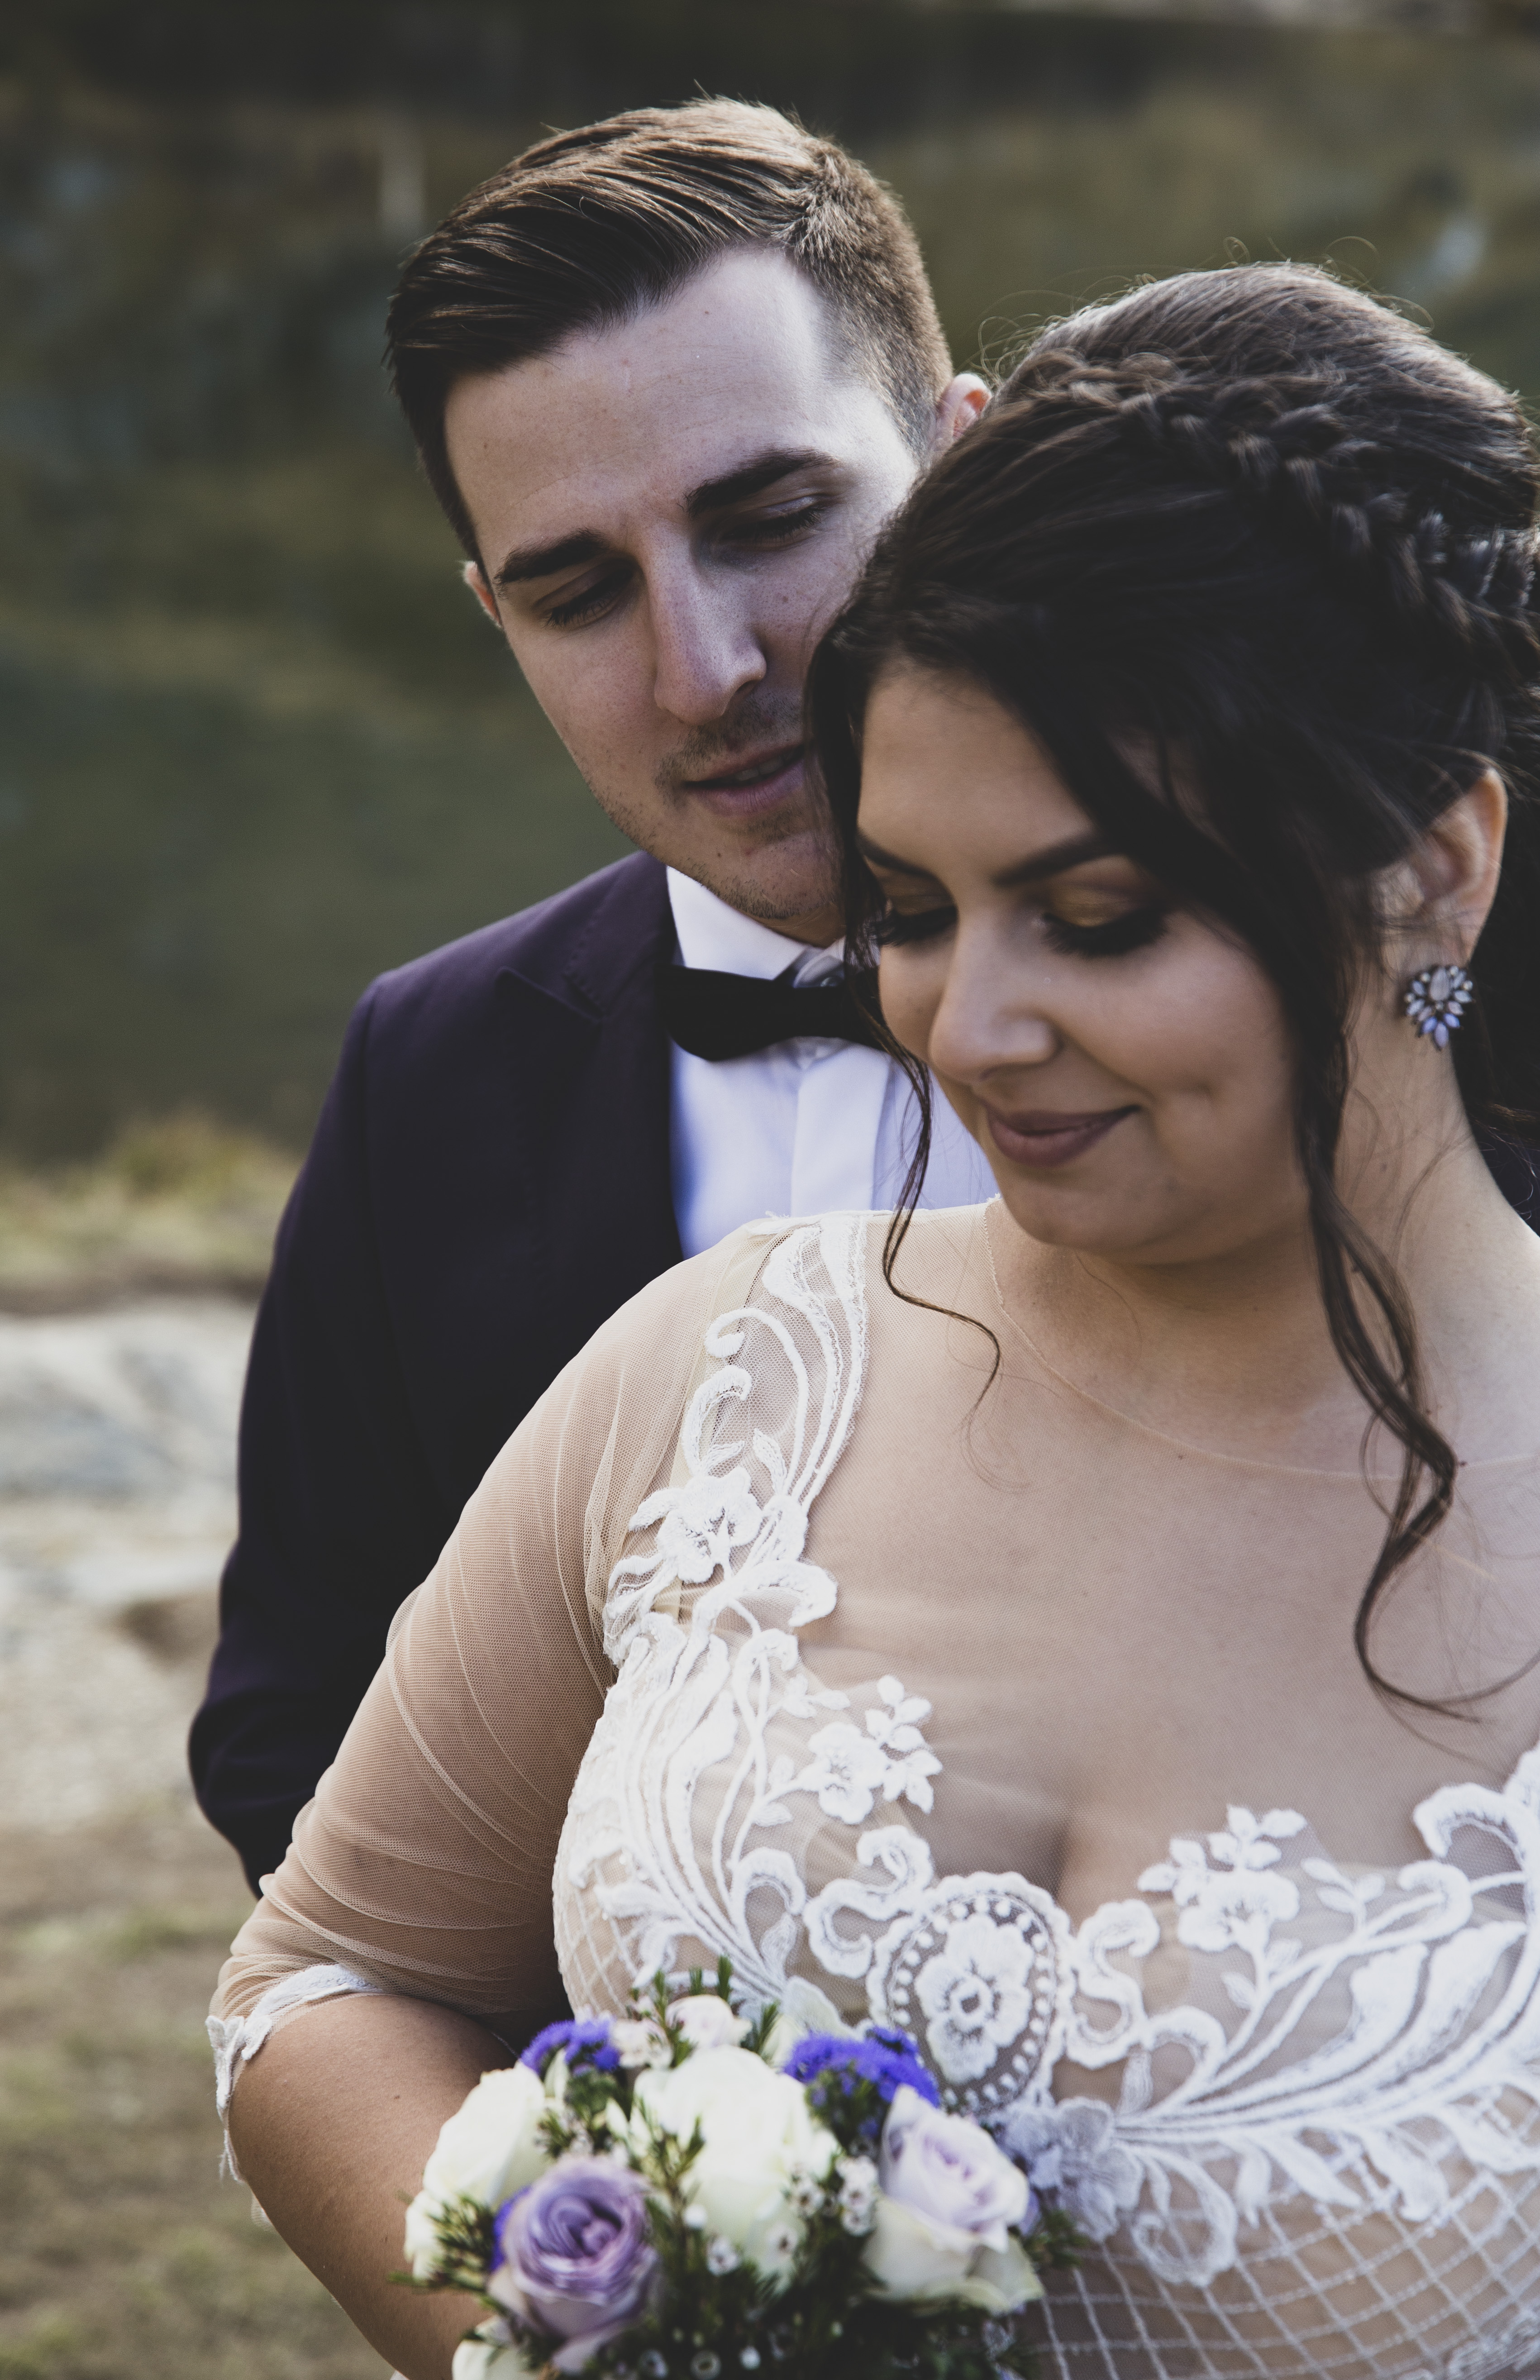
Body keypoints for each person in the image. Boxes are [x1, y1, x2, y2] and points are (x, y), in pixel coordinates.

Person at [207, 260, 1540, 2377]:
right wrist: (568, 2328)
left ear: (1434, 863)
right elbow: (327, 1976)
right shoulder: (721, 1366)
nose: (966, 1026)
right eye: (910, 908)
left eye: (1097, 915)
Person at [189, 100, 998, 1893]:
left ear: (962, 463)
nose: (702, 670)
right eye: (576, 594)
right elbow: (292, 1723)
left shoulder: (1321, 970)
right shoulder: (428, 1069)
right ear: (494, 617)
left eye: (771, 517)